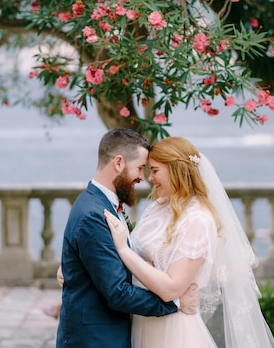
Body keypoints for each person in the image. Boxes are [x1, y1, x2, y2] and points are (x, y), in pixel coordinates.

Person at [104, 136, 274, 348]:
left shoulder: (198, 220)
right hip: (143, 320)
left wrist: (123, 250)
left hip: (173, 330)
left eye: (156, 170)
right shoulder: (158, 207)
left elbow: (171, 288)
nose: (150, 178)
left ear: (176, 170)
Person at [56, 128, 197, 348]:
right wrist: (176, 303)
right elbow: (118, 293)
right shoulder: (94, 215)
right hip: (95, 340)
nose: (143, 177)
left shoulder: (100, 204)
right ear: (119, 163)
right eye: (140, 168)